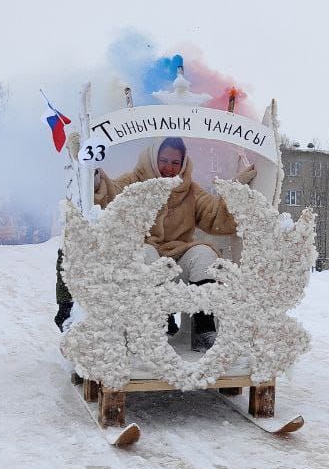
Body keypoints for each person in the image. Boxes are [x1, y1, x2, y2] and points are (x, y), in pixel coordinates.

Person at [93, 137, 257, 351]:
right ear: (153, 159)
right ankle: (150, 331)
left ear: (183, 164)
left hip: (178, 257)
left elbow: (215, 215)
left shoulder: (190, 190)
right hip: (144, 258)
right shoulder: (133, 182)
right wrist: (95, 178)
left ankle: (204, 330)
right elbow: (110, 197)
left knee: (205, 254)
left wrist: (236, 191)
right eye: (164, 160)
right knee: (146, 253)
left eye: (175, 162)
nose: (169, 168)